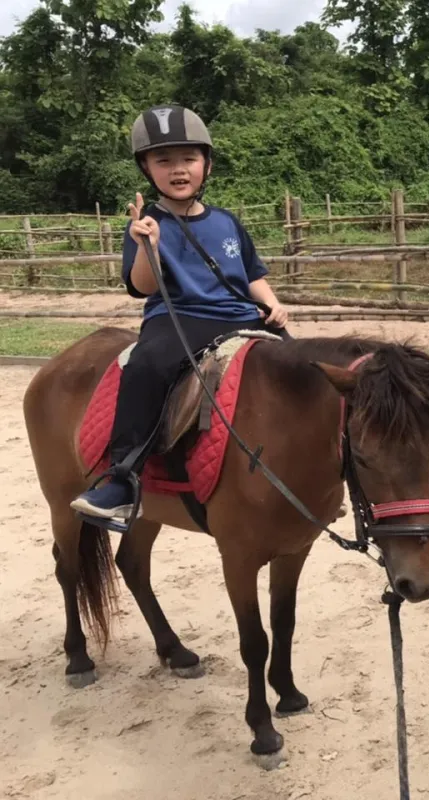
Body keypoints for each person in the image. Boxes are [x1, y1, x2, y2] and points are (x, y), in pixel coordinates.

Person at [70, 104, 289, 523]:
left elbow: (251, 274)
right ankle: (122, 479)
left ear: (207, 164)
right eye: (164, 161)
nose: (178, 169)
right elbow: (143, 287)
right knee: (146, 367)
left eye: (188, 158)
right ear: (147, 169)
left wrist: (272, 303)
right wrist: (147, 246)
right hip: (178, 317)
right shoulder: (146, 224)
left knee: (303, 371)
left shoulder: (227, 222)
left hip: (241, 315)